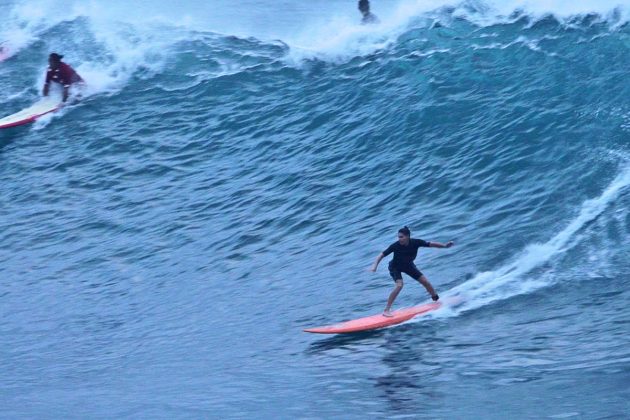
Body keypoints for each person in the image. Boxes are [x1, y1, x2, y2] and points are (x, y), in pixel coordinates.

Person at [370, 226, 454, 316]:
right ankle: (386, 310)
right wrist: (375, 266)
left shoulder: (415, 242)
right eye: (398, 237)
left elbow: (431, 244)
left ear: (407, 236)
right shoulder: (395, 245)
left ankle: (436, 300)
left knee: (426, 282)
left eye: (401, 237)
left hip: (408, 266)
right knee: (399, 285)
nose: (399, 239)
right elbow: (381, 255)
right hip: (395, 267)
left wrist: (445, 246)